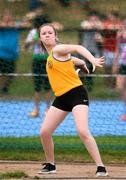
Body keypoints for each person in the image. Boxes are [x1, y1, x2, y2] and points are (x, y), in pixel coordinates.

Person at [38, 23, 108, 177]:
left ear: (55, 36)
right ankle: (51, 165)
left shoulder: (57, 49)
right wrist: (82, 64)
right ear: (40, 38)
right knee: (44, 132)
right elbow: (74, 59)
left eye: (50, 32)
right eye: (44, 33)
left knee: (82, 131)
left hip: (76, 94)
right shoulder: (52, 55)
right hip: (62, 98)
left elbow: (78, 47)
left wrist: (92, 60)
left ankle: (101, 167)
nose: (47, 35)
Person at [80, 11, 103, 91]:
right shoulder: (84, 23)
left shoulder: (99, 24)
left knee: (91, 69)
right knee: (82, 67)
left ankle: (89, 87)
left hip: (94, 51)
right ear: (89, 18)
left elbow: (100, 29)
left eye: (95, 18)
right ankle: (80, 85)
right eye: (92, 18)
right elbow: (86, 27)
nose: (94, 19)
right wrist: (94, 25)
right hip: (84, 50)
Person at [102, 11, 122, 88]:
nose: (110, 18)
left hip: (116, 50)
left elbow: (119, 28)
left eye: (111, 16)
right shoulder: (106, 23)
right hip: (107, 49)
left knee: (115, 69)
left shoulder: (120, 24)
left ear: (115, 17)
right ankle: (108, 84)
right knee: (107, 67)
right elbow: (104, 28)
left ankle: (114, 84)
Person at [113, 18, 126, 121]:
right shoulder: (120, 35)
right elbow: (118, 49)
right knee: (119, 86)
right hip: (123, 64)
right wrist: (115, 63)